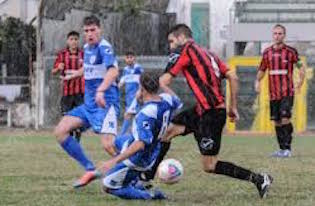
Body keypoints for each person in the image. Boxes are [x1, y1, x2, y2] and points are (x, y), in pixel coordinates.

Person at [154, 24, 272, 198]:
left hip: (212, 115)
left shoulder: (184, 51)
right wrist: (232, 107)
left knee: (209, 165)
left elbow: (163, 81)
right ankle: (146, 178)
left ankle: (259, 178)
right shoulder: (210, 54)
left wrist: (172, 100)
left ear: (181, 37)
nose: (171, 46)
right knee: (167, 132)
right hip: (203, 110)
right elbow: (233, 76)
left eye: (172, 41)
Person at [54, 15, 120, 188]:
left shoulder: (104, 47)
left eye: (93, 30)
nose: (89, 34)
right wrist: (75, 74)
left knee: (109, 146)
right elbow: (89, 67)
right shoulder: (87, 47)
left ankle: (135, 176)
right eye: (86, 31)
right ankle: (90, 168)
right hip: (89, 105)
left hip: (105, 104)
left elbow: (113, 71)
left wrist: (100, 90)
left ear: (100, 30)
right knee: (61, 131)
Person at [98, 72, 182, 200]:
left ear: (142, 89)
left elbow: (140, 144)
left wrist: (113, 161)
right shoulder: (166, 99)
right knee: (112, 143)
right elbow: (178, 102)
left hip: (139, 158)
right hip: (153, 148)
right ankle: (129, 178)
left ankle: (150, 195)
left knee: (107, 186)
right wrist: (163, 85)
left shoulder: (145, 114)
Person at [255, 24, 305, 158]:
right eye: (275, 33)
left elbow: (300, 66)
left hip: (287, 92)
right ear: (273, 35)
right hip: (273, 93)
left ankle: (288, 148)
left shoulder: (291, 51)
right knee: (276, 121)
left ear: (284, 35)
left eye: (280, 33)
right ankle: (281, 149)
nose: (277, 36)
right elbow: (262, 70)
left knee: (285, 118)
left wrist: (301, 79)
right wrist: (257, 81)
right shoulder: (267, 53)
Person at [52, 31, 84, 142]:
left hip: (80, 92)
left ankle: (77, 134)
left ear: (78, 41)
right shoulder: (62, 55)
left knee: (79, 117)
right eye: (71, 39)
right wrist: (58, 68)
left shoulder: (83, 55)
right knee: (66, 116)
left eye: (76, 39)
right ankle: (71, 135)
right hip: (67, 92)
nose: (74, 41)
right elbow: (53, 71)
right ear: (67, 41)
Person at [118, 51, 143, 135]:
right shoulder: (125, 70)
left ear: (134, 58)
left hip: (136, 98)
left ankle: (121, 136)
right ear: (125, 59)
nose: (129, 59)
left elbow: (142, 82)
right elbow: (121, 82)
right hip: (128, 99)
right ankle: (135, 136)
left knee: (131, 117)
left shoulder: (138, 68)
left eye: (131, 57)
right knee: (131, 118)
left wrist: (140, 93)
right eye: (127, 57)